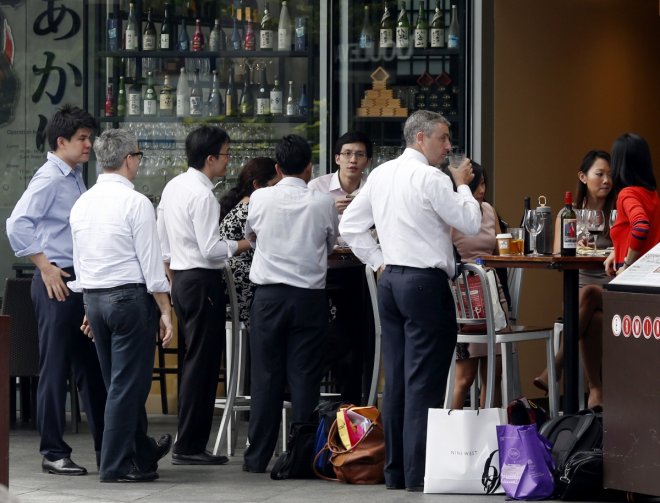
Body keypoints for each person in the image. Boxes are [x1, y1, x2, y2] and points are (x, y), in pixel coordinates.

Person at [339, 110, 480, 491]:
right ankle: (417, 474)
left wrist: (378, 260)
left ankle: (396, 472)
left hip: (392, 282)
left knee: (398, 379)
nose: (448, 146)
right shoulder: (432, 178)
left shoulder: (382, 173)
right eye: (443, 137)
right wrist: (462, 184)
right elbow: (469, 222)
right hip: (423, 284)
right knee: (423, 382)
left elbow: (349, 224)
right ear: (421, 139)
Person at [6, 104, 106, 476]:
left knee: (90, 368)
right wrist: (45, 266)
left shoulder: (74, 175)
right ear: (61, 141)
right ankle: (52, 451)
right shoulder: (50, 177)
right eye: (82, 139)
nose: (89, 145)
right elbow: (17, 224)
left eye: (90, 138)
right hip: (57, 282)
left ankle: (109, 446)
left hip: (76, 281)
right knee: (55, 367)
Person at [68, 129, 173, 482]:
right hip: (128, 299)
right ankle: (114, 465)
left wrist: (87, 304)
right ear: (129, 159)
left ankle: (140, 452)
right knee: (128, 386)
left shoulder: (82, 202)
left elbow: (80, 261)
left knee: (118, 384)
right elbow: (151, 263)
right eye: (139, 157)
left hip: (95, 299)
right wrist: (165, 310)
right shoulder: (136, 203)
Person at [242, 135, 338, 473]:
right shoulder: (322, 202)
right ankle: (303, 457)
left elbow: (251, 235)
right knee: (305, 377)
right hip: (308, 297)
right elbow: (330, 243)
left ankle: (257, 458)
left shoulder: (260, 198)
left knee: (265, 377)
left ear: (278, 168)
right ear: (310, 168)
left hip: (268, 297)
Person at [157, 125, 251, 465]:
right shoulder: (203, 195)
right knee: (203, 363)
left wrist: (170, 272)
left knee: (194, 360)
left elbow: (162, 240)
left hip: (181, 279)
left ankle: (189, 441)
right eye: (225, 155)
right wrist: (245, 243)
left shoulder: (173, 186)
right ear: (210, 158)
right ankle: (190, 445)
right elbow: (212, 249)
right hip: (202, 280)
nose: (228, 162)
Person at [534, 150, 614, 409]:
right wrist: (576, 248)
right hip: (577, 295)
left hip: (609, 290)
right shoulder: (567, 215)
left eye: (610, 175)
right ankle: (596, 390)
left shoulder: (618, 214)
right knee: (594, 315)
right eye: (599, 174)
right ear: (583, 177)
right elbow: (558, 256)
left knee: (591, 294)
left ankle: (556, 364)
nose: (606, 180)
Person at [309, 131, 374, 404]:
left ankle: (355, 404)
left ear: (367, 161)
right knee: (329, 335)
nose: (353, 160)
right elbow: (304, 229)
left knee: (361, 337)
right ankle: (318, 400)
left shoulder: (374, 187)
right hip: (324, 270)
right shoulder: (317, 188)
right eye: (347, 154)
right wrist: (327, 210)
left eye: (359, 154)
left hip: (361, 270)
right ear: (337, 158)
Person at [450, 162, 508, 409]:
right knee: (465, 376)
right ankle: (450, 438)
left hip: (492, 291)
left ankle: (489, 435)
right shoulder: (453, 212)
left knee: (495, 372)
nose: (482, 190)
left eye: (484, 183)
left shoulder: (488, 210)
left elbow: (498, 249)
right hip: (465, 295)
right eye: (477, 184)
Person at [219, 157, 279, 328]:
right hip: (246, 289)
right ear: (257, 185)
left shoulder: (242, 206)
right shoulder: (252, 210)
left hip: (235, 288)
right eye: (275, 186)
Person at [605, 133, 660, 276]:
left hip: (636, 276)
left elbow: (641, 226)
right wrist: (617, 251)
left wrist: (628, 265)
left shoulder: (627, 194)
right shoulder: (652, 194)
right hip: (652, 273)